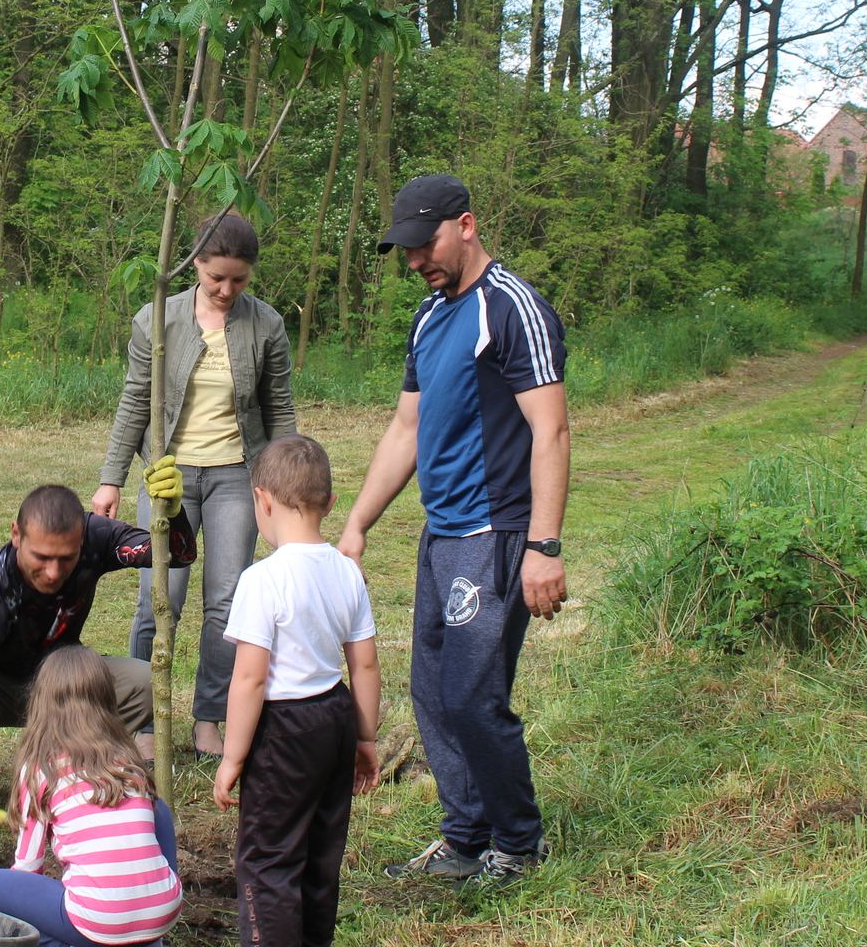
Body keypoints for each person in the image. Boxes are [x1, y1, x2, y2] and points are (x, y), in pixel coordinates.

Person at [336, 175, 569, 894]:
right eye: (405, 250)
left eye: (424, 244)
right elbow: (406, 428)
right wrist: (356, 523)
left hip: (495, 535)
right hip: (442, 536)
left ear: (465, 225)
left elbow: (551, 429)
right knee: (433, 692)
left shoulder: (514, 308)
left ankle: (518, 845)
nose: (415, 261)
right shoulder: (430, 317)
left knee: (472, 693)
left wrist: (543, 545)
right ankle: (464, 836)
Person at [0, 462, 195, 841]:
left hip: (60, 688)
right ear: (16, 535)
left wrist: (173, 514)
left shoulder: (94, 536)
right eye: (42, 558)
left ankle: (70, 780)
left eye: (66, 559)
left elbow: (174, 556)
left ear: (81, 541)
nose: (53, 573)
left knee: (141, 682)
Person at [91, 212, 296, 758]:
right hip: (167, 480)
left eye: (240, 280)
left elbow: (279, 409)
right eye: (217, 279)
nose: (228, 290)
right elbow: (136, 400)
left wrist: (286, 483)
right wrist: (111, 479)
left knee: (226, 604)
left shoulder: (268, 325)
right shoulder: (157, 320)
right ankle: (145, 722)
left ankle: (210, 719)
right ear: (195, 264)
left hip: (237, 477)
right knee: (160, 600)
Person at [213, 435, 380, 947]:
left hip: (283, 731)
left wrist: (233, 758)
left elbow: (250, 679)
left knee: (268, 860)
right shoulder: (347, 571)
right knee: (321, 853)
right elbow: (366, 664)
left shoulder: (262, 579)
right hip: (334, 719)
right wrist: (366, 740)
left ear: (261, 501)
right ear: (330, 504)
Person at [0, 647, 183, 947]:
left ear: (42, 702)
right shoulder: (128, 761)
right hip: (163, 910)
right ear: (106, 699)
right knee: (158, 807)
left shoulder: (41, 769)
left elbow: (28, 868)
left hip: (97, 919)